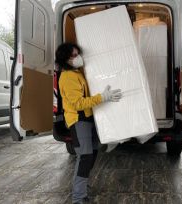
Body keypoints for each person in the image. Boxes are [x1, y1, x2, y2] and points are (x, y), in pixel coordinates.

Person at [55, 43, 122, 204]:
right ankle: (78, 197)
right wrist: (102, 97)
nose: (77, 57)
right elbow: (78, 103)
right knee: (84, 157)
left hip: (87, 119)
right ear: (65, 59)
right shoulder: (68, 77)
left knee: (92, 154)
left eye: (78, 54)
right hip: (78, 122)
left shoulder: (77, 73)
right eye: (73, 55)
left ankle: (82, 186)